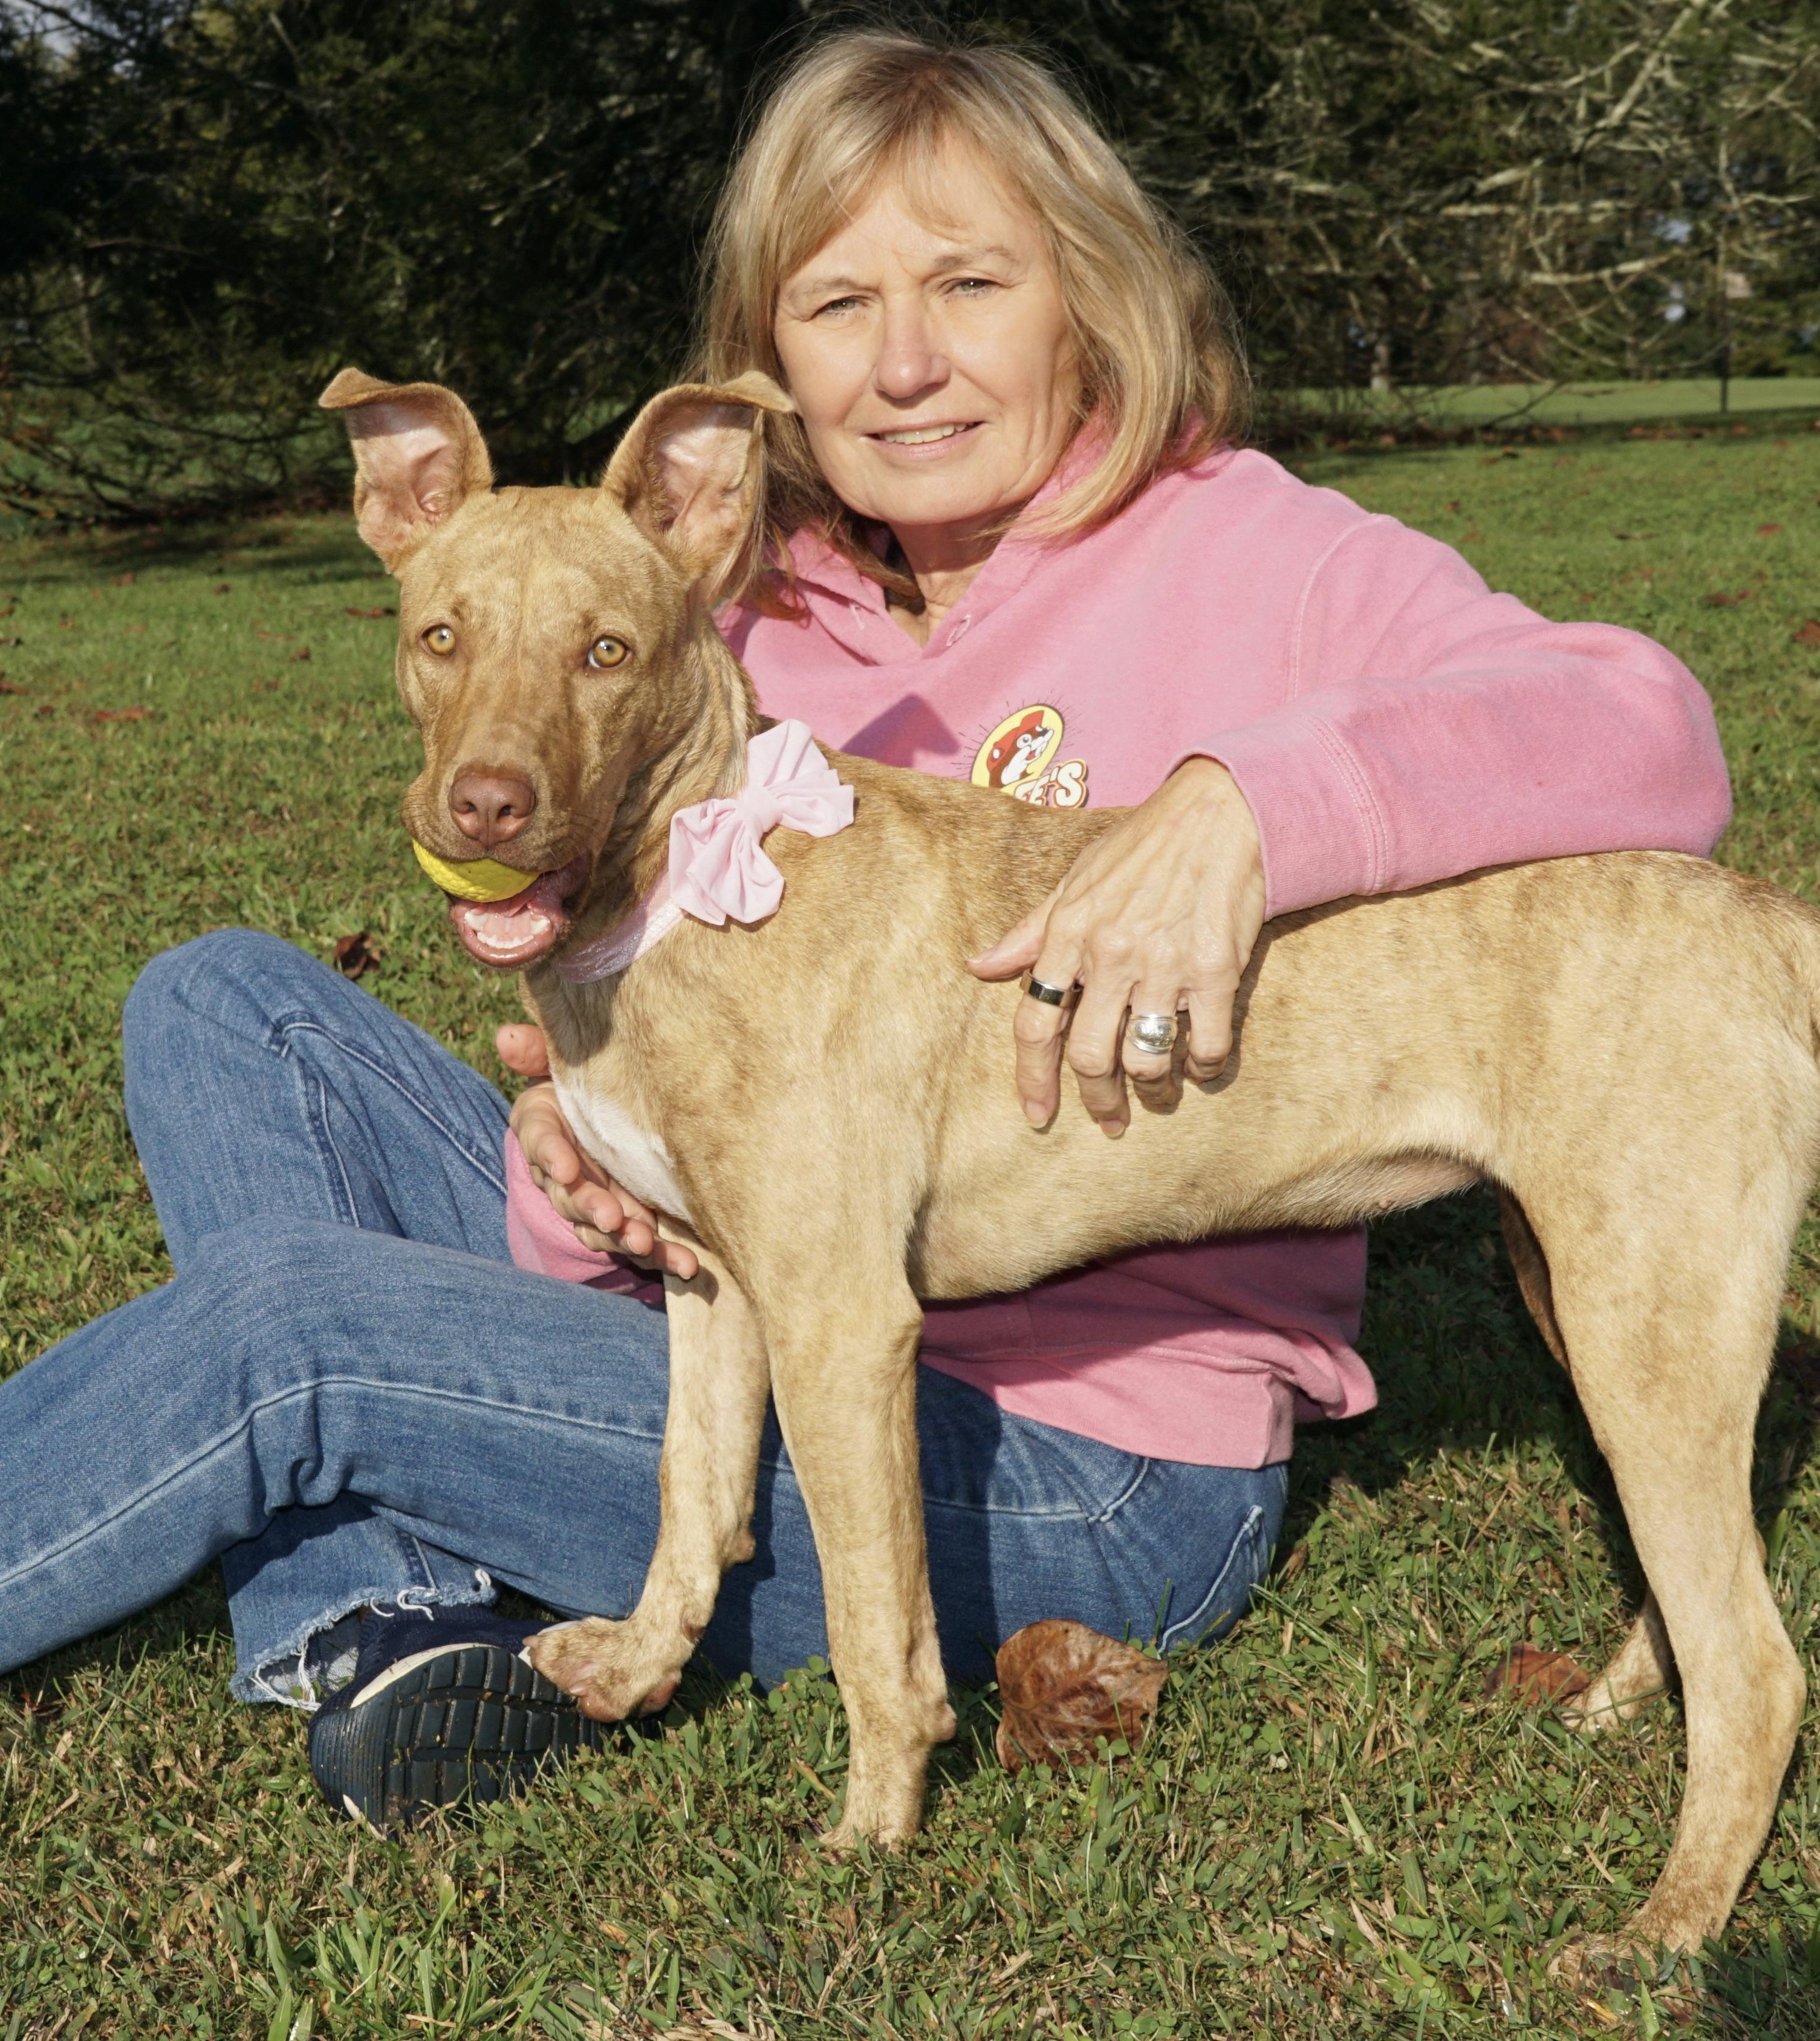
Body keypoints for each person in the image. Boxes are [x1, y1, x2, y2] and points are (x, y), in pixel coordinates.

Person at [0, 31, 1731, 1829]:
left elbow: (1646, 730)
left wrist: (1246, 808)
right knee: (221, 1006)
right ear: (767, 371)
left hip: (1075, 1466)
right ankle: (384, 1607)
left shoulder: (1257, 557)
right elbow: (701, 1144)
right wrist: (579, 1166)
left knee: (294, 1327)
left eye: (970, 282)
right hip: (753, 1311)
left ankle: (382, 1539)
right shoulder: (717, 627)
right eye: (836, 305)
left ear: (1090, 293)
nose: (904, 361)